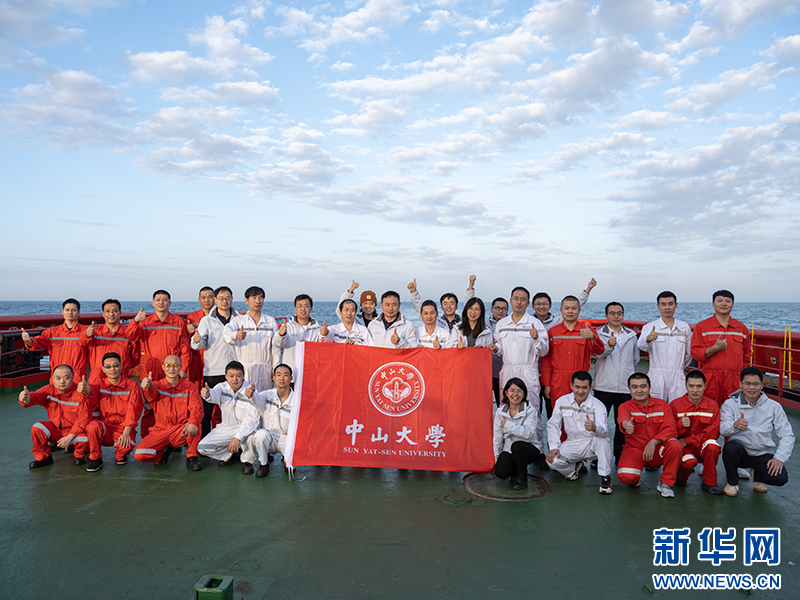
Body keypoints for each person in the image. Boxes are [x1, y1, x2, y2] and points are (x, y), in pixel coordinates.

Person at [720, 367, 794, 497]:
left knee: (781, 478)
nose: (752, 387)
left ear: (762, 385)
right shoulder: (730, 404)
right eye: (747, 383)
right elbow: (723, 429)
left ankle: (757, 475)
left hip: (763, 453)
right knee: (730, 448)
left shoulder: (774, 406)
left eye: (756, 384)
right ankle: (732, 483)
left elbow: (787, 434)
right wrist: (735, 425)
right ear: (741, 384)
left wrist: (779, 458)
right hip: (740, 453)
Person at [127, 290, 192, 437]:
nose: (161, 302)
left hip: (173, 370)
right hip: (152, 371)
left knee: (173, 405)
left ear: (170, 303)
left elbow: (185, 348)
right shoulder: (145, 322)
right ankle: (147, 438)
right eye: (158, 300)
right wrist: (135, 320)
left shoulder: (178, 322)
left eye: (164, 300)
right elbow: (130, 335)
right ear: (153, 303)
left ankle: (174, 437)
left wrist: (183, 369)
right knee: (149, 405)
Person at [493, 286, 549, 454]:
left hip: (528, 371)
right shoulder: (502, 324)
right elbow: (500, 346)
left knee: (533, 411)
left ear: (528, 302)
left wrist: (536, 338)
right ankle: (505, 451)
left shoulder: (535, 323)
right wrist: (495, 348)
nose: (519, 302)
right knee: (506, 410)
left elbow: (544, 351)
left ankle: (538, 452)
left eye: (522, 299)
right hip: (508, 370)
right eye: (516, 298)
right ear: (510, 301)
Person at [546, 372, 614, 494]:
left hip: (591, 444)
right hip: (571, 442)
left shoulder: (598, 405)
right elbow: (553, 425)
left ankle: (605, 477)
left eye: (584, 387)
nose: (580, 391)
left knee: (602, 440)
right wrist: (554, 447)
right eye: (577, 387)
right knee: (552, 461)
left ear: (590, 388)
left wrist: (594, 428)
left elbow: (604, 431)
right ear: (571, 386)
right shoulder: (562, 401)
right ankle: (572, 471)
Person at [616, 373, 682, 498]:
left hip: (658, 450)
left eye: (643, 386)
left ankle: (665, 484)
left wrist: (653, 442)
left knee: (675, 445)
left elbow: (671, 429)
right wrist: (626, 425)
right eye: (634, 387)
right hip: (636, 450)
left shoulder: (663, 405)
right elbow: (624, 418)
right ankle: (635, 477)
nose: (639, 390)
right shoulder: (625, 406)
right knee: (627, 477)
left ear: (649, 387)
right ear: (629, 389)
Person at [134, 355, 203, 471]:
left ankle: (192, 456)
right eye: (168, 365)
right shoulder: (157, 386)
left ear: (180, 367)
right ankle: (162, 452)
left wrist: (193, 422)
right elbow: (150, 394)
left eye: (175, 365)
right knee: (140, 455)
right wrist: (147, 386)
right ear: (163, 367)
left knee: (196, 425)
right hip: (160, 430)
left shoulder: (190, 387)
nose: (172, 369)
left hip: (179, 430)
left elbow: (197, 407)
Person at [540, 295, 604, 418]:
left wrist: (592, 337)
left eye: (574, 308)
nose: (570, 311)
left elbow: (599, 351)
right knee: (559, 415)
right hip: (558, 381)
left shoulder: (587, 331)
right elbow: (546, 361)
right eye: (567, 308)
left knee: (581, 416)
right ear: (561, 310)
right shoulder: (553, 332)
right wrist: (547, 385)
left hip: (580, 381)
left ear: (579, 310)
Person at [80, 352, 144, 472]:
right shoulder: (100, 384)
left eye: (115, 365)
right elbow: (91, 391)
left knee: (126, 446)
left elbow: (133, 410)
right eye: (108, 367)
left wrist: (126, 432)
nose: (112, 369)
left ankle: (120, 455)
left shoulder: (132, 385)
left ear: (121, 366)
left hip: (123, 427)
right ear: (103, 369)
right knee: (93, 426)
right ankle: (96, 458)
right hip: (106, 427)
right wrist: (85, 389)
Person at [593, 302, 639, 463]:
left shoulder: (631, 335)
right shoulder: (599, 334)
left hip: (625, 389)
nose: (616, 316)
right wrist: (609, 346)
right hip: (603, 386)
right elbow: (599, 354)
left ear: (623, 315)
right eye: (612, 313)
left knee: (622, 425)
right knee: (600, 424)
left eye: (619, 313)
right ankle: (597, 456)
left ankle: (620, 456)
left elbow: (635, 359)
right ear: (606, 316)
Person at [18, 365, 90, 468]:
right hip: (57, 431)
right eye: (58, 378)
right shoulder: (48, 390)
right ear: (53, 379)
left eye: (66, 378)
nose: (62, 381)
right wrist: (26, 398)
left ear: (73, 378)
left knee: (84, 440)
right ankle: (43, 458)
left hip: (75, 432)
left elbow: (84, 418)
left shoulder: (80, 394)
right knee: (37, 428)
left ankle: (79, 456)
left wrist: (70, 437)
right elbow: (35, 396)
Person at [191, 286, 238, 437]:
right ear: (215, 300)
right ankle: (205, 439)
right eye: (221, 298)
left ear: (232, 299)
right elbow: (197, 344)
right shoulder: (207, 320)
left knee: (233, 408)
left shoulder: (239, 319)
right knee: (207, 409)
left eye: (228, 298)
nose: (225, 301)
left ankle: (232, 440)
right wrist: (196, 340)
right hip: (213, 371)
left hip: (234, 372)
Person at [691, 290, 751, 407]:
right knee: (709, 409)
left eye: (728, 301)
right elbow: (695, 352)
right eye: (720, 301)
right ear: (713, 304)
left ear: (732, 304)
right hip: (711, 379)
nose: (724, 304)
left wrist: (740, 374)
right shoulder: (702, 327)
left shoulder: (741, 328)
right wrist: (715, 348)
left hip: (735, 379)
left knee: (736, 410)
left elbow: (747, 355)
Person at [670, 370, 723, 494]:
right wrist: (680, 425)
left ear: (705, 386)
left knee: (713, 447)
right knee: (688, 463)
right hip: (683, 447)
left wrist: (687, 440)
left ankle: (709, 483)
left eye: (699, 386)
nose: (695, 390)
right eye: (691, 386)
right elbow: (669, 431)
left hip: (699, 445)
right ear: (685, 385)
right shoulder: (675, 405)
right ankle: (681, 477)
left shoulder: (712, 405)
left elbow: (713, 432)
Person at [238, 364, 295, 477]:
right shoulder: (266, 394)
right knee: (260, 434)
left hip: (287, 439)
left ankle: (287, 458)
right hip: (269, 438)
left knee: (293, 467)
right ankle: (264, 464)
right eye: (278, 375)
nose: (282, 378)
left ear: (291, 378)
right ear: (273, 378)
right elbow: (257, 400)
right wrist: (251, 396)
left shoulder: (296, 400)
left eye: (285, 375)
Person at [492, 378, 549, 490]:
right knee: (501, 473)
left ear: (524, 394)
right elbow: (497, 437)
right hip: (509, 449)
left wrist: (508, 425)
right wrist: (496, 459)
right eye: (512, 390)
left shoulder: (530, 410)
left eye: (519, 391)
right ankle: (515, 468)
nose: (515, 394)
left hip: (529, 448)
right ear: (506, 393)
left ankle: (522, 475)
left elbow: (528, 433)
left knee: (517, 446)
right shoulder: (501, 411)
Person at [637, 291, 692, 403]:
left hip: (678, 375)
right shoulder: (650, 327)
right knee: (656, 407)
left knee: (678, 406)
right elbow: (641, 346)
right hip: (657, 375)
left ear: (676, 305)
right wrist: (648, 338)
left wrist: (679, 367)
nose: (667, 307)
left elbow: (688, 354)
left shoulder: (684, 327)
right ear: (658, 306)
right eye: (663, 304)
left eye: (670, 304)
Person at [197, 361, 254, 467]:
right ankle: (230, 454)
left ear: (243, 376)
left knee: (251, 437)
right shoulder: (221, 387)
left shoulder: (250, 392)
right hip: (226, 428)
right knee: (202, 448)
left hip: (244, 429)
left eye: (238, 376)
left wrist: (237, 437)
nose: (235, 379)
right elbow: (212, 394)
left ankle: (247, 462)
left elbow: (252, 420)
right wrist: (207, 394)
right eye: (231, 376)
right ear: (226, 376)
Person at [223, 286, 280, 391]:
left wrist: (275, 369)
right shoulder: (238, 321)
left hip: (265, 369)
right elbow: (226, 334)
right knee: (245, 398)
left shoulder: (270, 321)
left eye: (260, 298)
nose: (258, 301)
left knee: (264, 398)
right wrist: (235, 335)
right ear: (246, 300)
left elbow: (275, 348)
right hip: (245, 369)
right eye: (254, 298)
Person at [22, 298, 88, 379]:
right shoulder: (52, 332)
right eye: (67, 310)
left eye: (73, 310)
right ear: (62, 312)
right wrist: (28, 340)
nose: (70, 312)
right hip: (57, 377)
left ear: (78, 313)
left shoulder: (86, 332)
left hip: (77, 377)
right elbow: (38, 342)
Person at [79, 298, 140, 383]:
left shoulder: (128, 334)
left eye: (114, 311)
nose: (111, 314)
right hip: (97, 379)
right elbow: (83, 342)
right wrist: (87, 334)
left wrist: (124, 367)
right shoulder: (95, 332)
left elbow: (135, 358)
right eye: (108, 311)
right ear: (103, 314)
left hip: (121, 378)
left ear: (120, 312)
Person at [407, 275, 476, 332]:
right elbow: (422, 307)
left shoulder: (463, 322)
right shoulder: (436, 321)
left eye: (451, 303)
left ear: (456, 306)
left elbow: (469, 306)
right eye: (445, 304)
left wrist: (470, 287)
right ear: (441, 307)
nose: (448, 306)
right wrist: (414, 292)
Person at [275, 294, 323, 371]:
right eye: (300, 306)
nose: (303, 309)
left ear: (311, 309)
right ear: (295, 309)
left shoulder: (318, 329)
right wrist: (281, 335)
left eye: (306, 306)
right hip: (291, 372)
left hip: (310, 372)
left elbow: (322, 351)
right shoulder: (288, 327)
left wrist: (309, 345)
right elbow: (277, 344)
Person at [531, 278, 596, 330]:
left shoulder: (556, 321)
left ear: (550, 306)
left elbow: (575, 303)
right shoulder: (528, 320)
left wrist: (588, 289)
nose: (541, 306)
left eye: (545, 304)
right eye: (538, 304)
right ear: (533, 307)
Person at [185, 286, 215, 392]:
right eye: (203, 297)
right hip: (197, 360)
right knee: (196, 390)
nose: (207, 300)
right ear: (199, 299)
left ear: (215, 298)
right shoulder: (191, 318)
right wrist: (188, 333)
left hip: (215, 358)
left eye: (210, 297)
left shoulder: (220, 316)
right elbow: (185, 341)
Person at [488, 297, 508, 406]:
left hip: (504, 372)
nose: (500, 311)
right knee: (483, 404)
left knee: (503, 404)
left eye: (504, 309)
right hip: (486, 372)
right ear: (492, 309)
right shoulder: (485, 322)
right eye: (497, 308)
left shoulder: (510, 325)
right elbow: (470, 310)